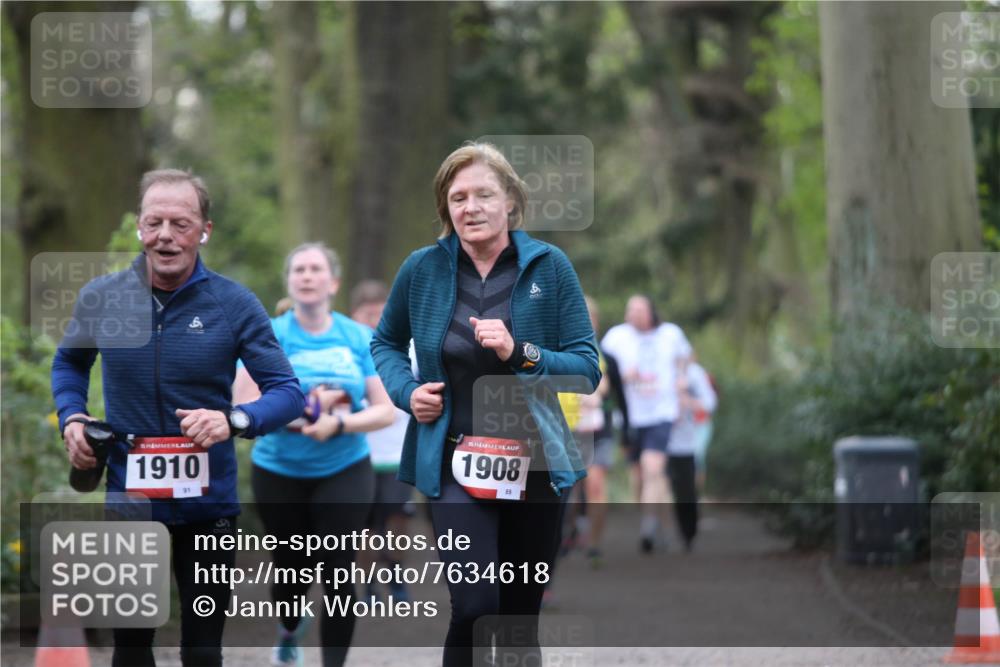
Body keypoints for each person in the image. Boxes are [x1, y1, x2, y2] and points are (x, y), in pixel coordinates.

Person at [51, 169, 305, 667]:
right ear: (141, 228)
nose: (165, 235)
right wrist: (72, 417)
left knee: (204, 649)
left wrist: (233, 420)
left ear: (204, 230)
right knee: (130, 645)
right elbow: (69, 362)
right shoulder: (103, 297)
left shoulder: (233, 303)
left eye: (180, 223)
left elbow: (288, 394)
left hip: (208, 506)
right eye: (154, 222)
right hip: (129, 495)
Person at [370, 142, 601, 667]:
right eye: (457, 198)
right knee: (476, 603)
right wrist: (407, 393)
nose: (469, 207)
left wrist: (521, 352)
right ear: (445, 208)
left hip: (536, 463)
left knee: (519, 617)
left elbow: (587, 368)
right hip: (455, 459)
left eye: (482, 194)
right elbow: (384, 343)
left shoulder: (549, 266)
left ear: (510, 203)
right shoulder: (423, 269)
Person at [232, 244, 395, 667]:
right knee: (291, 571)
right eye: (299, 269)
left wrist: (338, 423)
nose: (307, 275)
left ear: (333, 283)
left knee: (338, 570)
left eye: (315, 269)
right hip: (279, 468)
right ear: (290, 281)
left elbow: (385, 409)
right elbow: (243, 405)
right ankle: (289, 626)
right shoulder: (268, 333)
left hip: (344, 465)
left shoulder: (358, 337)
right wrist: (294, 416)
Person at [601, 294, 691, 553]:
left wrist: (682, 379)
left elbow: (686, 356)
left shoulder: (671, 334)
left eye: (639, 309)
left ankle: (648, 528)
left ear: (651, 311)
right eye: (630, 309)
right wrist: (620, 376)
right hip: (631, 416)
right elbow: (599, 363)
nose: (634, 314)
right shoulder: (617, 336)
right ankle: (658, 522)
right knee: (640, 477)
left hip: (662, 412)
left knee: (653, 468)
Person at [349, 279, 415, 603]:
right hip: (358, 453)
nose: (374, 321)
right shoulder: (346, 350)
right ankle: (367, 585)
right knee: (365, 524)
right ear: (354, 315)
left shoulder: (409, 346)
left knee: (398, 518)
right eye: (367, 314)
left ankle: (396, 576)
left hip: (400, 451)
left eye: (380, 313)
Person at [667, 354, 718, 551]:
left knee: (685, 489)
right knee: (663, 485)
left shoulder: (695, 374)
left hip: (686, 441)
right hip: (660, 442)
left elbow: (709, 404)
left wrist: (687, 401)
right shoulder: (656, 370)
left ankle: (688, 532)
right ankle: (657, 531)